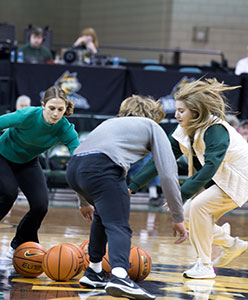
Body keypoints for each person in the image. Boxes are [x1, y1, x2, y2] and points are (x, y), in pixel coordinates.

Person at [66, 95, 187, 299]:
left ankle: (94, 271)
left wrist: (83, 201)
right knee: (119, 225)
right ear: (154, 115)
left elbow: (81, 154)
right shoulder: (152, 126)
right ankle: (120, 276)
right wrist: (178, 217)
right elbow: (167, 174)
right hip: (102, 169)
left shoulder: (109, 123)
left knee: (102, 217)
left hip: (74, 170)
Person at [129, 79, 248, 279]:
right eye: (176, 110)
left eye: (181, 111)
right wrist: (131, 187)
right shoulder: (182, 129)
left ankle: (204, 265)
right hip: (220, 179)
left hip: (240, 177)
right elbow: (160, 160)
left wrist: (182, 194)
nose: (176, 115)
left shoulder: (215, 129)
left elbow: (211, 166)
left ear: (196, 111)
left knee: (199, 206)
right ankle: (231, 244)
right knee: (184, 214)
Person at [0, 86, 79, 257]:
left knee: (41, 205)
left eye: (61, 109)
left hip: (28, 163)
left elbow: (78, 156)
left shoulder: (65, 128)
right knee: (9, 193)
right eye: (52, 108)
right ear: (43, 105)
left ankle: (18, 244)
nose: (55, 113)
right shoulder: (27, 115)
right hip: (1, 157)